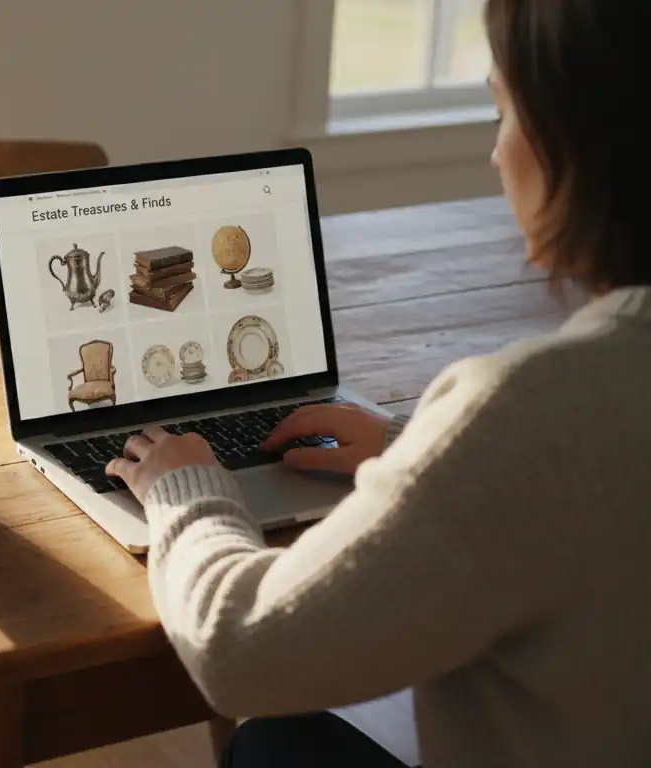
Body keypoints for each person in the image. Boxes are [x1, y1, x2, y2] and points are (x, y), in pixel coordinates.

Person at [104, 0, 649, 765]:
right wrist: (419, 451)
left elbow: (240, 651)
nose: (495, 153)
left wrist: (185, 491)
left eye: (504, 111)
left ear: (584, 135)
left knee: (274, 745)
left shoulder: (533, 406)